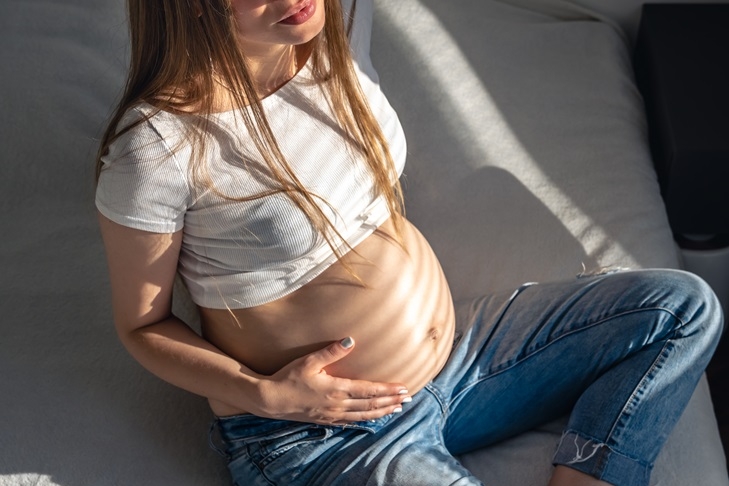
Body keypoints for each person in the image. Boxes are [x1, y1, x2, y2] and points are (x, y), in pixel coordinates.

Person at [94, 1, 723, 485]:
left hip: (462, 361)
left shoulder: (332, 28)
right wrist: (266, 393)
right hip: (325, 430)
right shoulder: (158, 147)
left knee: (683, 310)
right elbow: (142, 325)